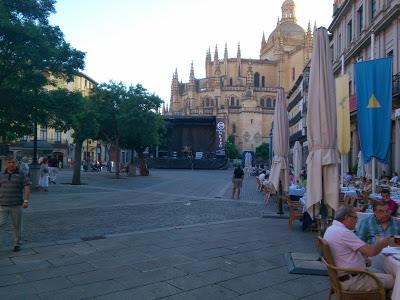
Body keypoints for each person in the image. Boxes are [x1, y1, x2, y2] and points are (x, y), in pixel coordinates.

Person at [323, 206, 394, 292]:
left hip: (344, 276)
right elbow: (371, 252)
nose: (357, 221)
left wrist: (361, 260)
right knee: (394, 280)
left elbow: (344, 253)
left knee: (383, 271)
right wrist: (382, 243)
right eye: (355, 217)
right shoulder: (344, 232)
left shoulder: (331, 229)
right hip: (353, 280)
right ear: (346, 217)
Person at [0, 155, 30, 252]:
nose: (11, 164)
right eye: (9, 162)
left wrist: (26, 200)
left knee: (17, 225)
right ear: (5, 164)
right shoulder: (1, 174)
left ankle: (17, 243)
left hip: (16, 205)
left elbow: (26, 187)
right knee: (0, 224)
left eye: (13, 162)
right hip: (2, 205)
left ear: (16, 163)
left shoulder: (22, 174)